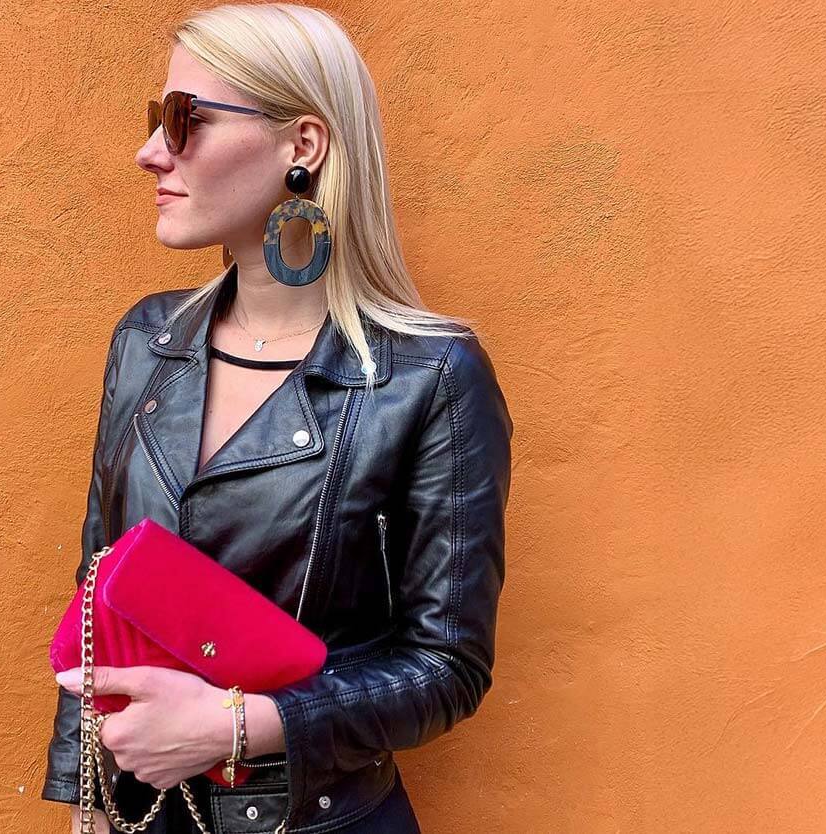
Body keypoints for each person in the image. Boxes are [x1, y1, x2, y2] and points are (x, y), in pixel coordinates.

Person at [41, 4, 513, 832]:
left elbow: (447, 667)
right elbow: (96, 601)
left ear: (304, 145)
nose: (151, 151)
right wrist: (87, 805)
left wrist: (237, 726)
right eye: (158, 118)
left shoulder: (429, 378)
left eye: (185, 119)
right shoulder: (147, 343)